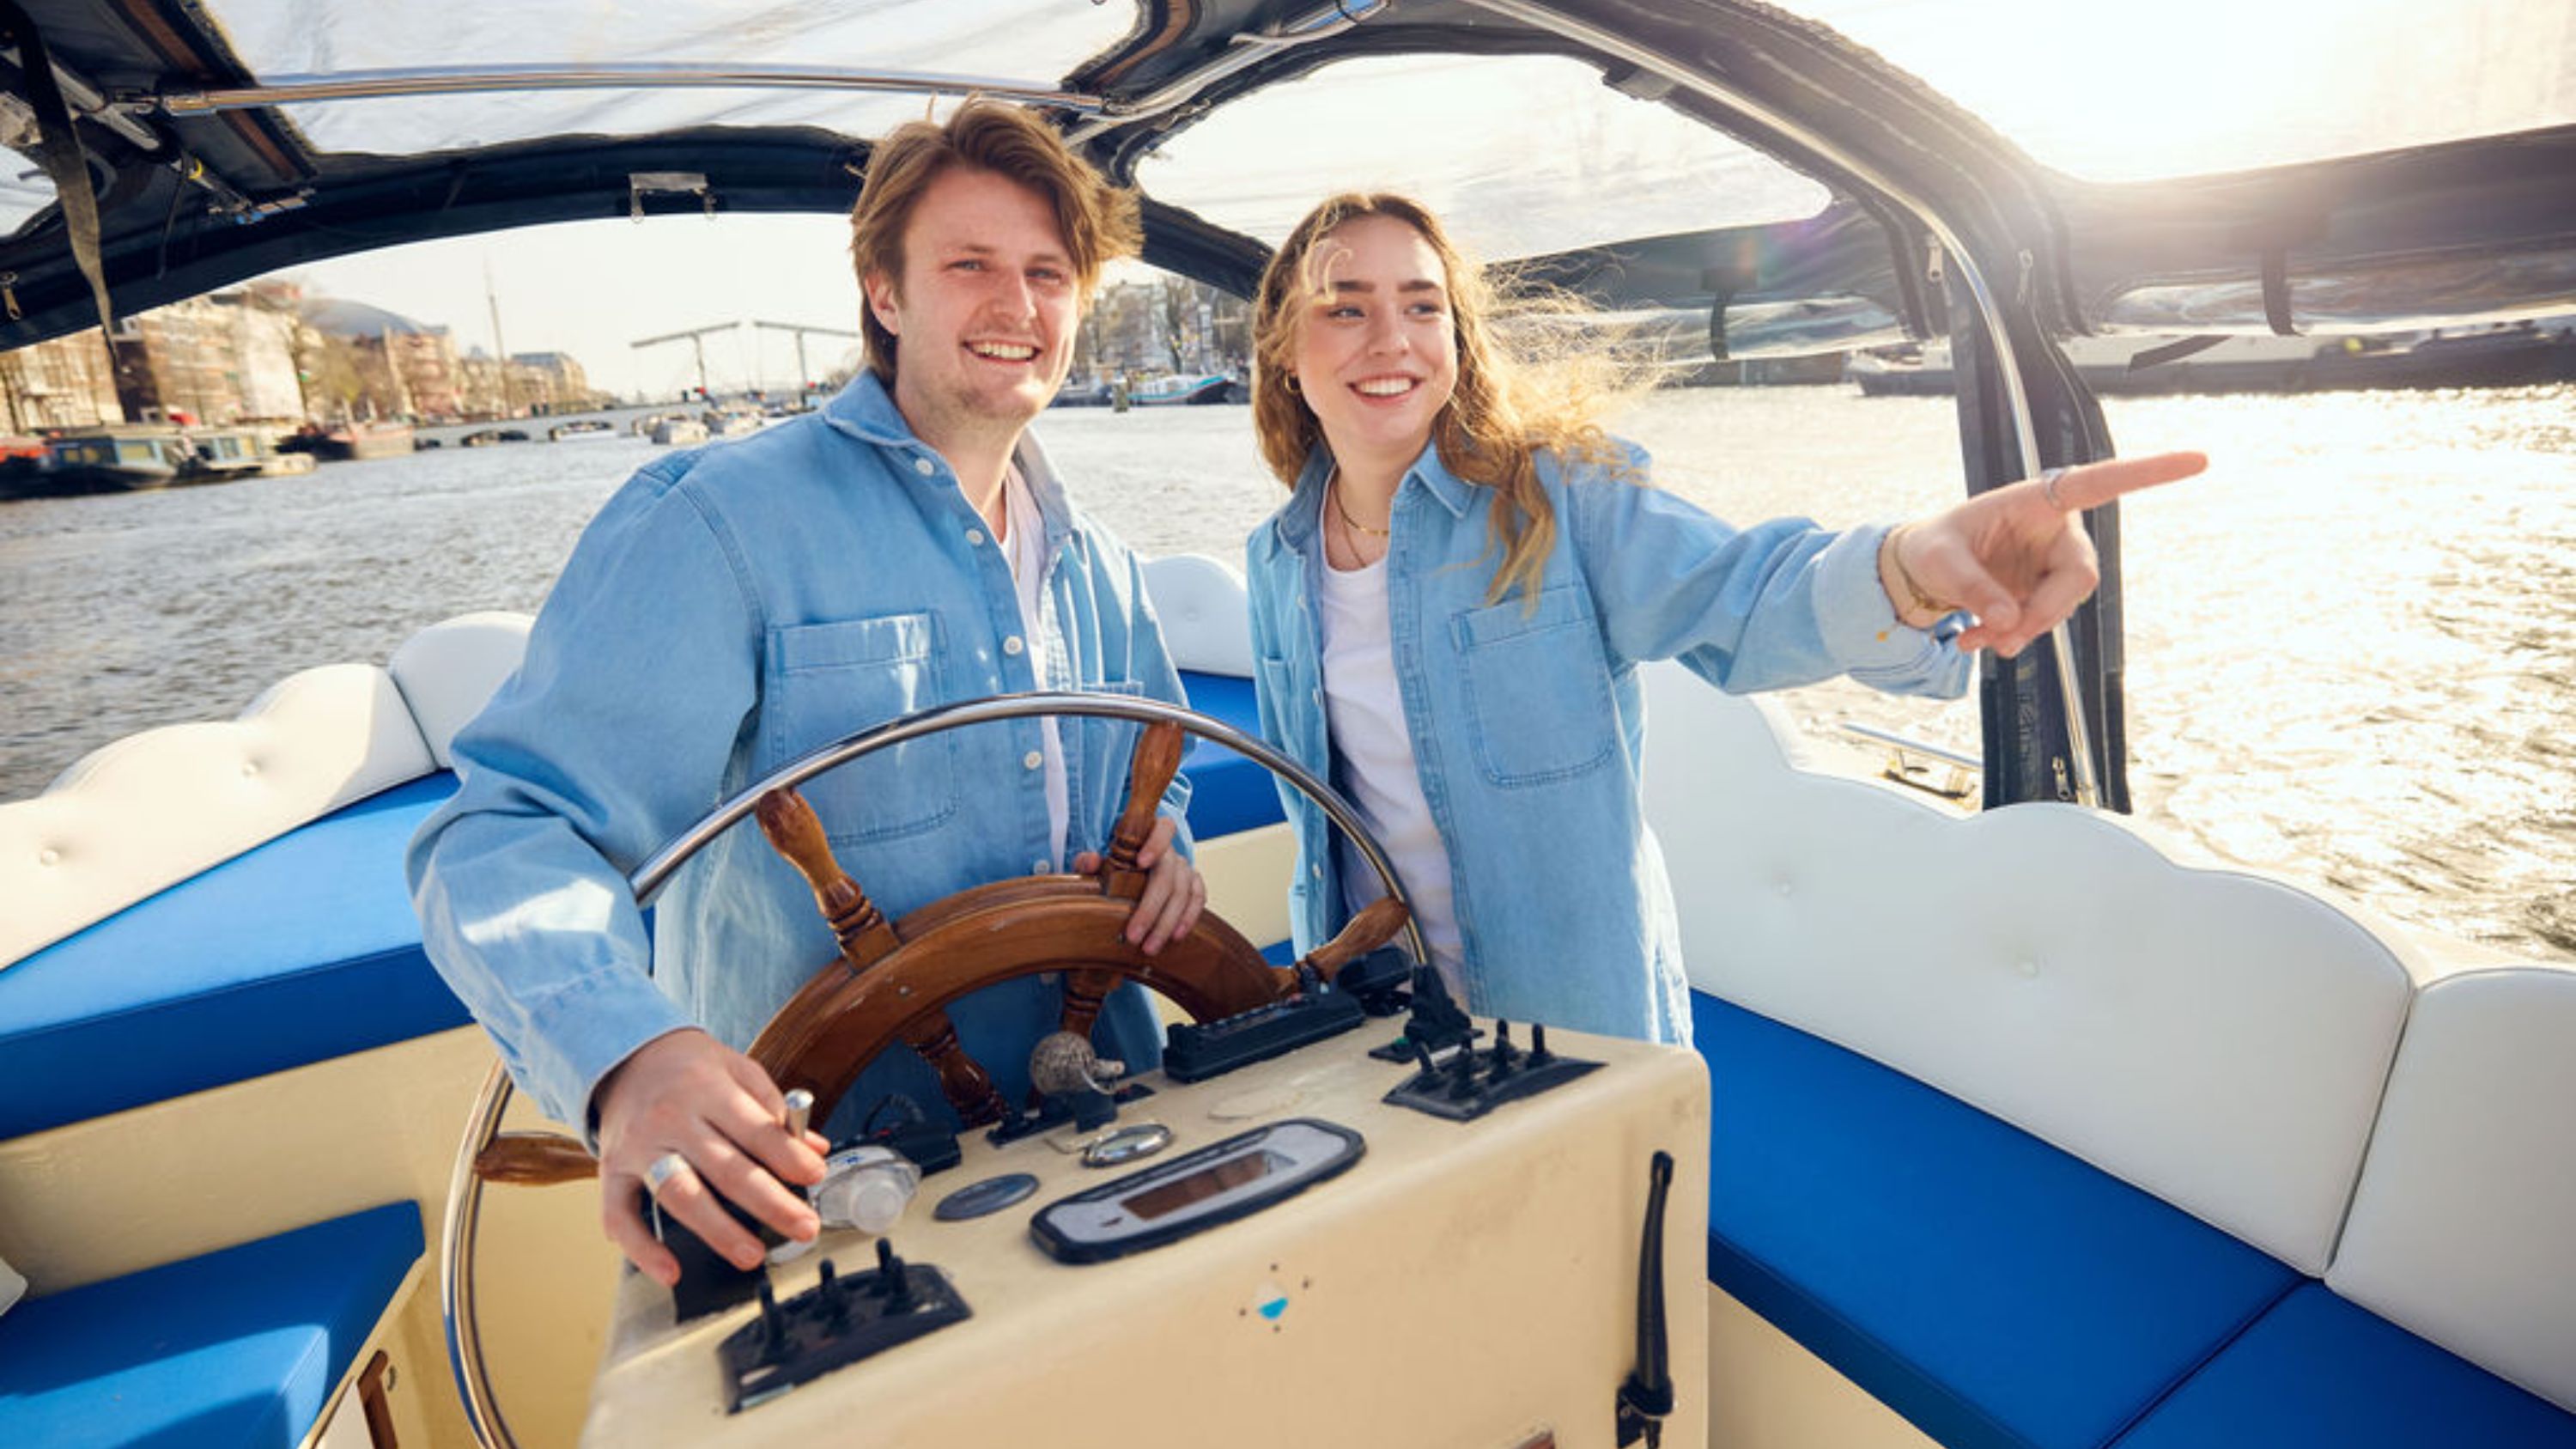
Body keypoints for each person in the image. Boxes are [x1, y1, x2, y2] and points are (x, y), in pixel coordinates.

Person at [409, 101, 1206, 1288]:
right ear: (885, 292)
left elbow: (1150, 765)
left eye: (1049, 272)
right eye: (970, 264)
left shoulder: (1097, 557)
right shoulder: (716, 521)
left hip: (1107, 1141)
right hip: (831, 1187)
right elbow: (510, 828)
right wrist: (628, 1053)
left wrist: (1170, 840)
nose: (1018, 306)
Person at [1242, 192, 2204, 1045]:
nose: (1392, 338)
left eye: (1422, 305)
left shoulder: (1560, 504)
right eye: (1346, 308)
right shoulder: (1277, 560)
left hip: (1568, 1034)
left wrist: (1913, 566)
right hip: (1368, 1026)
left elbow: (1747, 597)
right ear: (1288, 350)